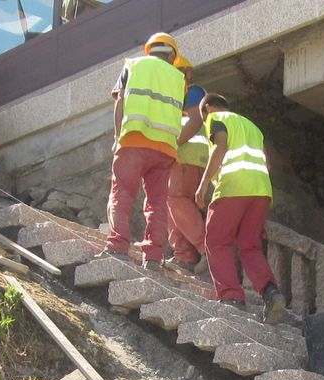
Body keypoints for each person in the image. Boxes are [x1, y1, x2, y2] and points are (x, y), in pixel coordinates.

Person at [195, 94, 286, 324]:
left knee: (216, 240)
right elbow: (268, 162)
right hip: (261, 191)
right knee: (249, 245)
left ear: (208, 108)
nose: (203, 120)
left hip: (233, 187)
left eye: (202, 114)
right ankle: (270, 293)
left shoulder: (215, 118)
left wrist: (203, 184)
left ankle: (231, 297)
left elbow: (221, 146)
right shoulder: (252, 126)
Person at [100, 32, 186, 270]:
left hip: (134, 140)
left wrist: (118, 138)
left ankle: (117, 246)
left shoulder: (133, 66)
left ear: (150, 50)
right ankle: (153, 258)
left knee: (122, 193)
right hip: (165, 149)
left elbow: (120, 103)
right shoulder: (179, 79)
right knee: (157, 203)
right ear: (171, 55)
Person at [164, 54, 209, 275]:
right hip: (188, 159)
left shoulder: (191, 92)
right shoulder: (174, 96)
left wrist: (173, 144)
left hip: (188, 158)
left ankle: (205, 249)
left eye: (180, 72)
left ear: (187, 74)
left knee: (175, 199)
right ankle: (184, 255)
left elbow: (195, 120)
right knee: (176, 203)